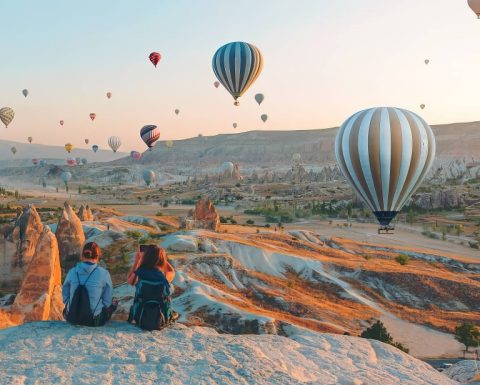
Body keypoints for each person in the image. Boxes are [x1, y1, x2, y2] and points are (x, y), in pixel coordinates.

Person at [62, 242, 117, 326]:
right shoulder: (104, 273)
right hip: (93, 321)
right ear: (98, 256)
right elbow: (107, 302)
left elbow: (65, 296)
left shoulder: (72, 271)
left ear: (82, 256)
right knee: (113, 303)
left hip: (72, 317)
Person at [127, 245, 178, 330]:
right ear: (162, 259)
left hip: (140, 317)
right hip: (161, 319)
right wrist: (161, 257)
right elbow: (171, 271)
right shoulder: (164, 276)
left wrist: (137, 260)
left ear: (145, 257)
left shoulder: (139, 273)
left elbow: (130, 280)